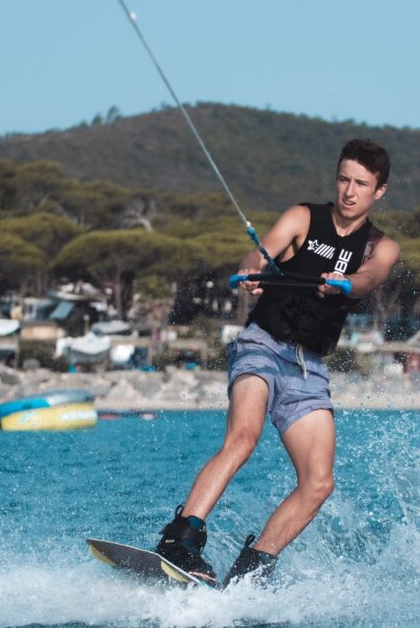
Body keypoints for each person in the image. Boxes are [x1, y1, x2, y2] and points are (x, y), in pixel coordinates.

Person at [155, 139, 400, 586]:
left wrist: (345, 285)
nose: (349, 191)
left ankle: (252, 570)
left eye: (361, 184)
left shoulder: (380, 247)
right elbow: (260, 252)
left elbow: (371, 278)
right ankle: (182, 538)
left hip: (308, 369)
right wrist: (252, 272)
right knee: (244, 437)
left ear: (379, 191)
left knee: (319, 482)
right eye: (344, 179)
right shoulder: (303, 217)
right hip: (262, 345)